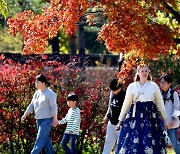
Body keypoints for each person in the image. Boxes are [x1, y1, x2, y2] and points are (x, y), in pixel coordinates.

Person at [115, 64, 167, 154]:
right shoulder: (132, 86)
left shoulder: (153, 86)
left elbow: (160, 103)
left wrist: (165, 119)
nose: (144, 73)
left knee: (150, 140)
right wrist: (120, 121)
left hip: (150, 117)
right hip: (135, 116)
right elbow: (126, 104)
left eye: (146, 71)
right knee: (132, 140)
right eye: (142, 71)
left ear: (149, 72)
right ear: (138, 73)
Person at [21, 74, 59, 154]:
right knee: (46, 141)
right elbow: (31, 105)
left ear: (44, 83)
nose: (36, 84)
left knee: (40, 140)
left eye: (38, 82)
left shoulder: (50, 93)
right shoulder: (37, 93)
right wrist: (25, 115)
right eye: (36, 82)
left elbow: (54, 107)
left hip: (47, 120)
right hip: (38, 120)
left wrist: (55, 119)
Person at [102, 79, 126, 154]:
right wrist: (107, 116)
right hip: (111, 122)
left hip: (120, 125)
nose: (112, 92)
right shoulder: (112, 94)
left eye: (114, 90)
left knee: (119, 146)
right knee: (108, 143)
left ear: (119, 88)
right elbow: (110, 106)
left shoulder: (125, 95)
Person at [160, 75, 180, 154]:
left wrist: (173, 120)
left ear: (169, 84)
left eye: (164, 82)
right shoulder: (159, 94)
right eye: (161, 82)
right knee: (161, 143)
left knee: (174, 143)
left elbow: (177, 108)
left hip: (172, 124)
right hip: (161, 123)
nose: (162, 84)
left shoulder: (173, 94)